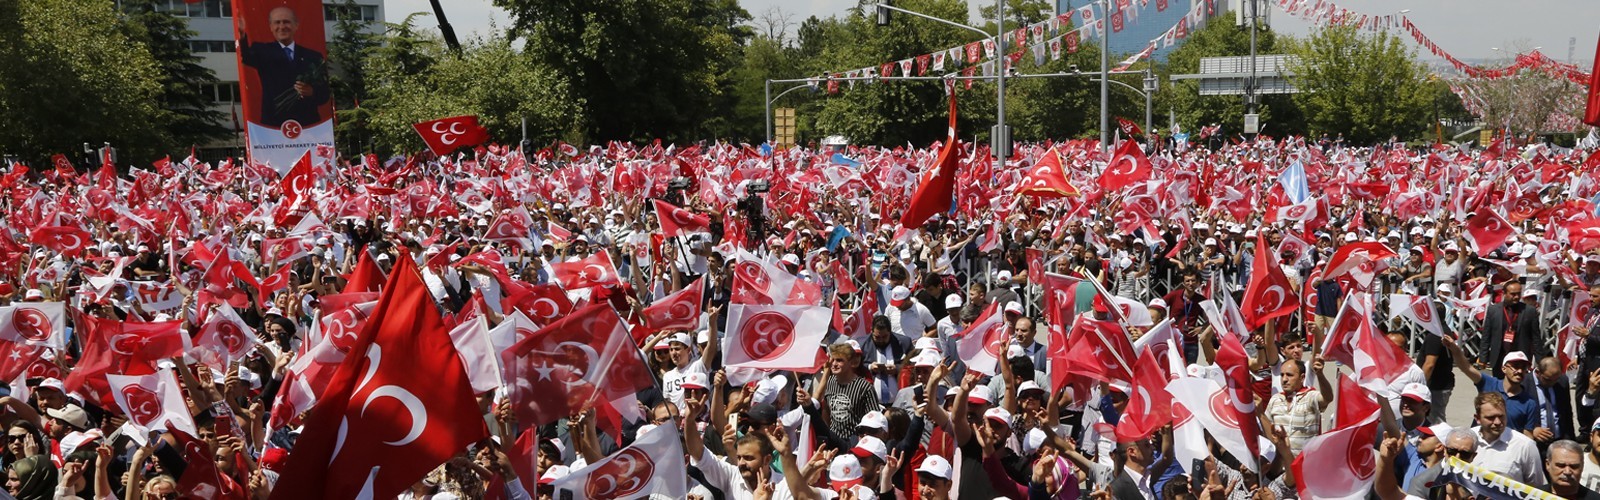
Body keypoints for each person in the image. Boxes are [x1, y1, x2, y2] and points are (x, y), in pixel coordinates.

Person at [238, 5, 330, 127]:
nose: (282, 27)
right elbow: (246, 57)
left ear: (296, 25)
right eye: (277, 23)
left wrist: (312, 91)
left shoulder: (313, 56)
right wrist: (242, 35)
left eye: (286, 22)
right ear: (271, 27)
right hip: (273, 126)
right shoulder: (261, 51)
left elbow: (325, 94)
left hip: (309, 126)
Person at [1472, 392, 1547, 488]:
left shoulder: (1525, 446)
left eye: (1501, 416)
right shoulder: (1466, 440)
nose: (1498, 422)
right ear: (1477, 418)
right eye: (1491, 418)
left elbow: (1536, 488)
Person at [1478, 281, 1543, 376]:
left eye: (1518, 294)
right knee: (1499, 386)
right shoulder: (1493, 310)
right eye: (1513, 294)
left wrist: (1540, 362)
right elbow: (1486, 335)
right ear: (1504, 294)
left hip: (1520, 356)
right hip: (1499, 357)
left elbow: (1536, 338)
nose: (1516, 297)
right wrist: (1483, 357)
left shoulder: (1530, 311)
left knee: (1518, 387)